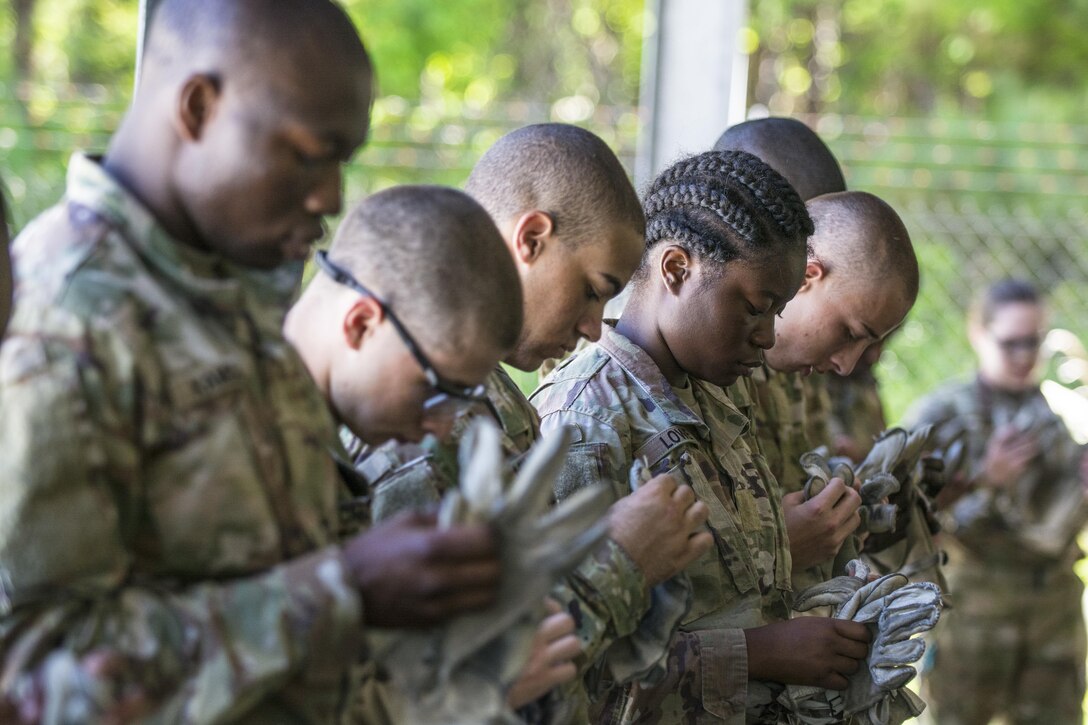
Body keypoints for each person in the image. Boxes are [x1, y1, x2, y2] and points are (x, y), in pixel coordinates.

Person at [0, 1, 502, 721]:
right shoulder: (63, 321)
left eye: (341, 162)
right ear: (199, 107)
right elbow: (34, 684)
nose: (330, 196)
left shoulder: (227, 282)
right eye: (307, 152)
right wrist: (343, 589)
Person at [346, 123, 714, 720]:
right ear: (532, 237)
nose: (595, 327)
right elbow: (457, 680)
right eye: (593, 290)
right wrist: (620, 558)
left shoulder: (490, 393)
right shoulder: (414, 405)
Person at [532, 150, 872, 724]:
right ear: (676, 270)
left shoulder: (712, 394)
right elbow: (567, 673)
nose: (767, 338)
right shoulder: (584, 422)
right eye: (755, 309)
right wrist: (758, 655)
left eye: (780, 312)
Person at [284, 184, 578, 715]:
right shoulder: (229, 437)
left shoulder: (316, 436)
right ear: (361, 323)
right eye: (434, 392)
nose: (440, 429)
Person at [905, 279, 1088, 725]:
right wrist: (987, 480)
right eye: (1012, 343)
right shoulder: (942, 415)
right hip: (974, 612)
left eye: (1035, 342)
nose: (1026, 356)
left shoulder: (1053, 411)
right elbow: (903, 517)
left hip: (1052, 610)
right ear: (979, 334)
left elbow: (1056, 518)